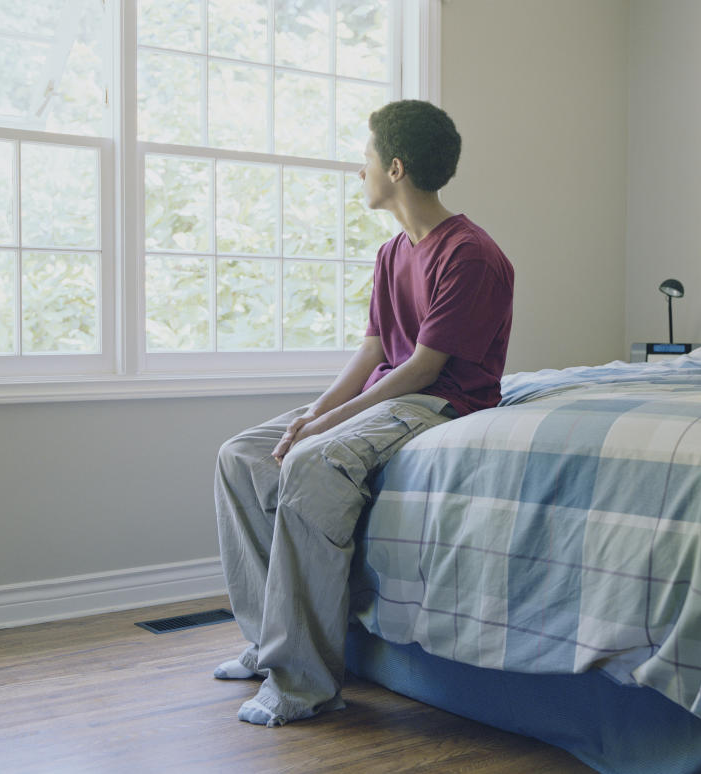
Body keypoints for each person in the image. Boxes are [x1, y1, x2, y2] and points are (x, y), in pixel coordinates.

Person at [213, 99, 515, 726]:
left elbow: (424, 369)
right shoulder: (392, 253)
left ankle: (304, 682)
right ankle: (269, 642)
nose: (360, 171)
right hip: (393, 389)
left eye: (367, 159)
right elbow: (375, 352)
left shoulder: (472, 255)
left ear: (396, 167)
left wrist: (322, 430)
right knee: (241, 455)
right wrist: (315, 411)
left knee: (314, 461)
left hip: (440, 401)